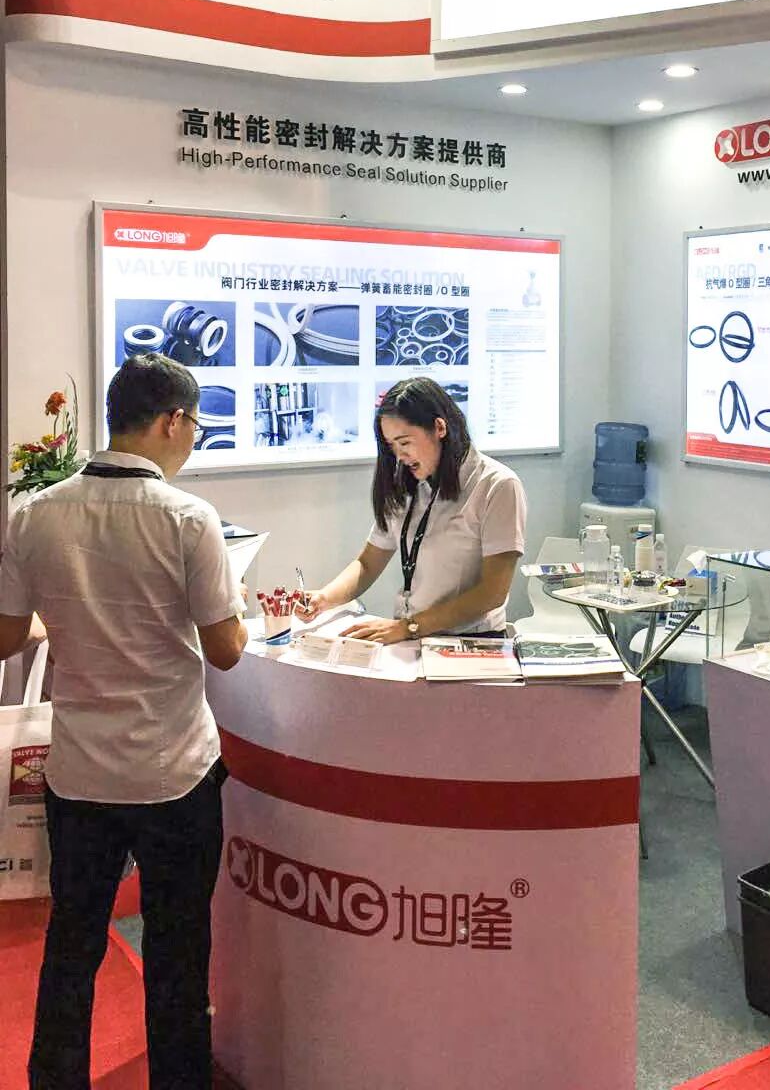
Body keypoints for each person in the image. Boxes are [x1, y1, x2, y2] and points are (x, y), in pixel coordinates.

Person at [0, 354, 248, 1090]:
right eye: (195, 425)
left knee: (72, 944)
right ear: (172, 420)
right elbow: (227, 651)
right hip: (174, 774)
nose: (194, 438)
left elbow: (6, 637)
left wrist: (71, 619)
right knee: (178, 954)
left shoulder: (35, 514)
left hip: (79, 773)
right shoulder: (188, 519)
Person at [301, 377, 526, 643]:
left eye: (405, 443)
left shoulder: (497, 485)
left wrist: (409, 627)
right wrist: (324, 598)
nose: (399, 456)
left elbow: (492, 593)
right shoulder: (410, 484)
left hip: (471, 642)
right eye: (392, 446)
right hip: (412, 635)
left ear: (439, 427)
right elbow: (367, 564)